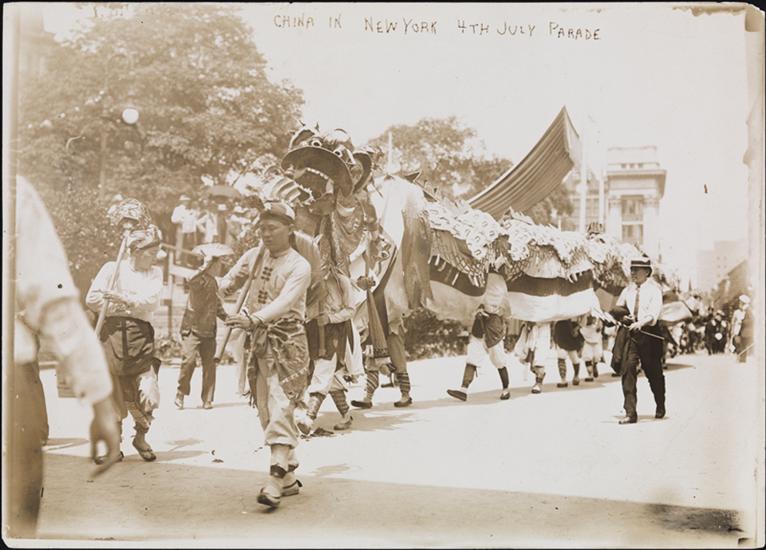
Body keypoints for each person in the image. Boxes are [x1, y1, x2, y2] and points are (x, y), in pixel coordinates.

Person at [9, 177, 121, 538]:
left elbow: (52, 299)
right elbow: (54, 301)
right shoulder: (11, 186)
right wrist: (101, 402)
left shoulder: (13, 189)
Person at [220, 200, 312, 509]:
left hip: (288, 343)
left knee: (281, 404)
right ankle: (288, 477)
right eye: (262, 228)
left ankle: (274, 480)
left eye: (272, 228)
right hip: (258, 341)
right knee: (265, 408)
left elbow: (285, 303)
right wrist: (217, 285)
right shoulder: (253, 256)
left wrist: (256, 318)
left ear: (289, 229)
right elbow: (227, 283)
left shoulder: (299, 266)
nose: (266, 234)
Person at [86, 226, 164, 461]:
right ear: (136, 251)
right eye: (151, 253)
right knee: (113, 392)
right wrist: (122, 305)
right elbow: (93, 299)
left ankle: (140, 437)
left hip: (140, 335)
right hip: (112, 335)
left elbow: (151, 301)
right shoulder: (112, 268)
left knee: (149, 392)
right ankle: (113, 448)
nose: (155, 258)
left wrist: (126, 300)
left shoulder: (155, 273)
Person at [292, 231, 359, 434]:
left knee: (322, 373)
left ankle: (308, 419)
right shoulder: (306, 281)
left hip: (333, 333)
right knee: (331, 378)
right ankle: (346, 415)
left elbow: (350, 310)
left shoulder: (341, 281)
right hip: (312, 331)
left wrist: (330, 318)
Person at [174, 244, 233, 410]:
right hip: (192, 328)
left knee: (210, 365)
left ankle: (207, 398)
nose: (220, 267)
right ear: (211, 264)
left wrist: (227, 318)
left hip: (209, 329)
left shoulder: (214, 282)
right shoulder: (198, 279)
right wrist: (204, 266)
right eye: (218, 264)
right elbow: (190, 280)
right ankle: (181, 392)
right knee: (189, 361)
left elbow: (216, 305)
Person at [612, 256, 666, 424]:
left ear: (647, 272)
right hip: (631, 335)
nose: (633, 273)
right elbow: (619, 308)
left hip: (649, 334)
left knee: (653, 372)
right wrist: (622, 317)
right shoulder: (627, 291)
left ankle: (660, 403)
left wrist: (640, 323)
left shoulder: (654, 291)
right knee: (628, 369)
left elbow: (653, 314)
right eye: (632, 269)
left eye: (637, 270)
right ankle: (630, 412)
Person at [446, 271, 512, 401]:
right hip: (480, 323)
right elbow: (475, 299)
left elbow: (507, 310)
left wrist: (496, 311)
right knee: (473, 356)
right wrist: (479, 309)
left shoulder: (499, 282)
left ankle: (506, 389)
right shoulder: (480, 277)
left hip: (493, 326)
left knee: (498, 359)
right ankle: (463, 390)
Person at [514, 321, 554, 394]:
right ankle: (540, 376)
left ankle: (538, 383)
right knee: (531, 361)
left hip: (543, 329)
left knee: (540, 358)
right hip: (532, 329)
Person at [553, 317, 585, 387]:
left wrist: (577, 328)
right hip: (561, 328)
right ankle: (564, 379)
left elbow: (583, 317)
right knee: (562, 356)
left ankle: (575, 376)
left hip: (570, 328)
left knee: (573, 357)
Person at [171, 194, 198, 265]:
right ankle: (177, 259)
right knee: (179, 244)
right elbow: (173, 219)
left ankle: (184, 260)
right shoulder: (178, 209)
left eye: (187, 201)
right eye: (185, 201)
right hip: (180, 228)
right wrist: (182, 220)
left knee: (186, 245)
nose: (187, 202)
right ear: (182, 201)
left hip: (187, 229)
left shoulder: (188, 210)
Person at [579, 314, 604, 381]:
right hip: (588, 344)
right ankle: (590, 374)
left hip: (596, 344)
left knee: (596, 357)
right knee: (587, 358)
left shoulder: (595, 327)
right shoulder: (585, 328)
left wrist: (599, 317)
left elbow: (599, 326)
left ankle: (594, 366)